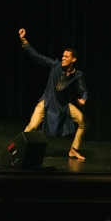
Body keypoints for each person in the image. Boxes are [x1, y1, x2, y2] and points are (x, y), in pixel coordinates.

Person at [19, 28, 88, 160]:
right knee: (32, 126)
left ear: (73, 59)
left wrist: (83, 99)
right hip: (48, 101)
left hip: (63, 105)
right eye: (62, 56)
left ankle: (73, 150)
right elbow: (37, 56)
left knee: (83, 121)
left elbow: (83, 89)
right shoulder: (55, 65)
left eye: (66, 57)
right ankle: (17, 149)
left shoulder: (78, 75)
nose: (63, 58)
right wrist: (24, 41)